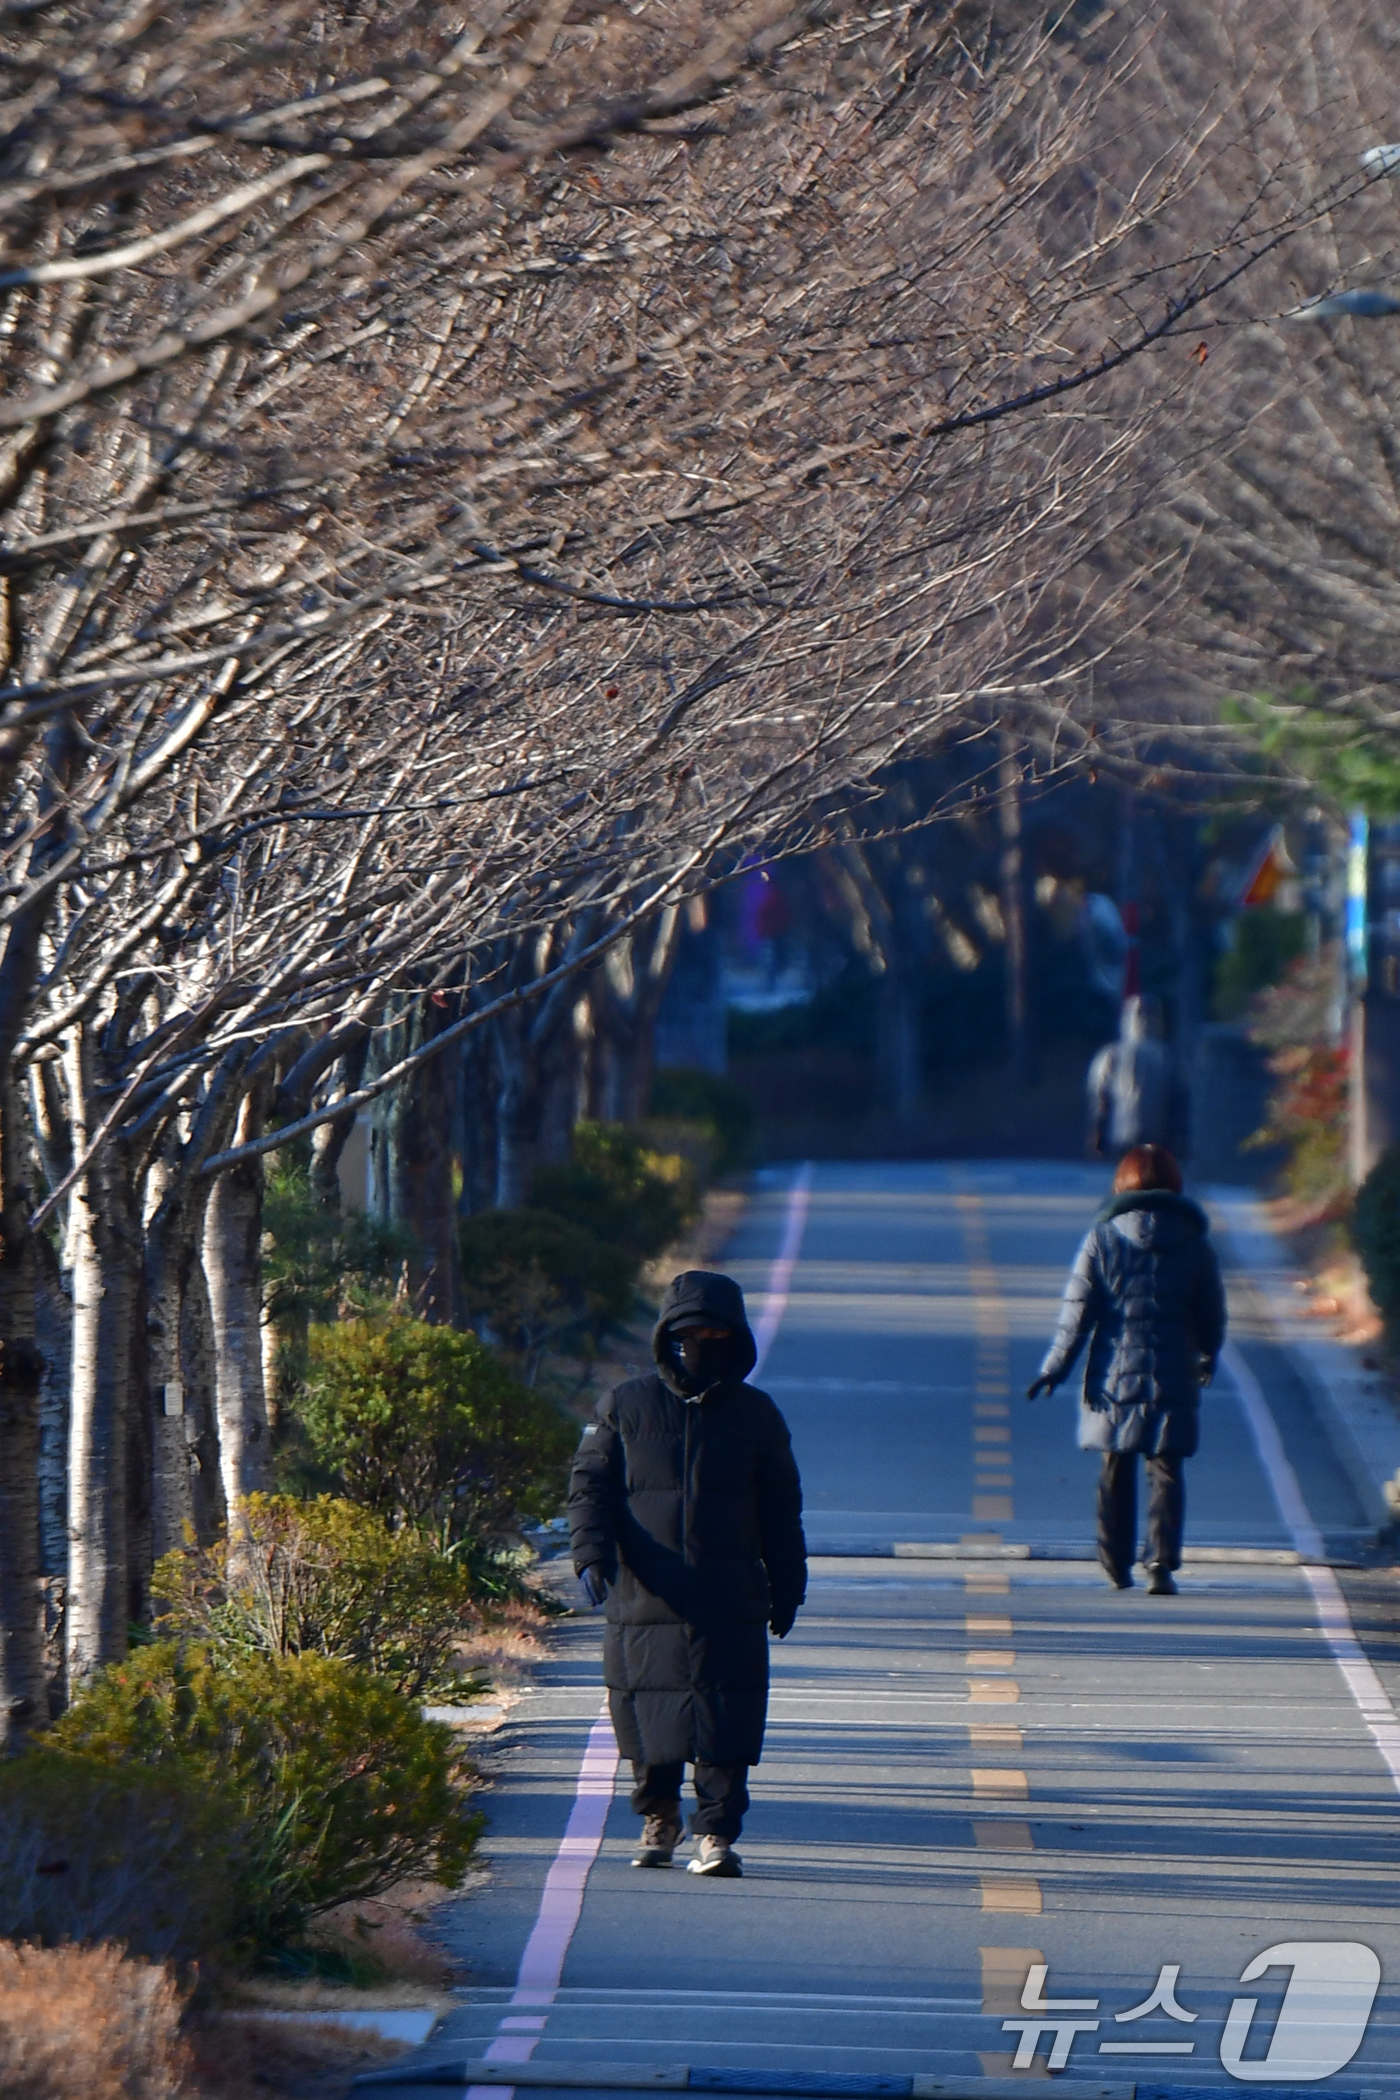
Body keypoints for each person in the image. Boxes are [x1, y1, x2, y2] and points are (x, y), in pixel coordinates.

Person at [568, 1269, 807, 1878]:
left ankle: (718, 1835)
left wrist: (788, 1585)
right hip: (645, 1594)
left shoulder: (757, 1416)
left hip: (730, 1596)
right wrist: (591, 1555)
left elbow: (782, 1509)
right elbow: (589, 1487)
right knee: (647, 1720)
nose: (702, 1342)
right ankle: (660, 1819)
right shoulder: (625, 1406)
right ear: (666, 1336)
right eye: (689, 1331)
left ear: (735, 1338)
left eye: (715, 1332)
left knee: (728, 1724)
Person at [1027, 1144, 1226, 1595]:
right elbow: (1211, 1311)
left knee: (1115, 1463)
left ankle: (1115, 1563)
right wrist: (1207, 1353)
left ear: (1123, 1182)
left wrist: (1055, 1368)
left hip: (1113, 1371)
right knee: (1167, 1466)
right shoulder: (1195, 1243)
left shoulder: (1103, 1238)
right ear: (1175, 1183)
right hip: (1173, 1367)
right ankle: (1161, 1563)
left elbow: (1078, 1311)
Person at [1087, 994, 1191, 1159]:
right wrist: (1180, 1138)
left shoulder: (1112, 1054)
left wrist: (1097, 1133)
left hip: (1121, 1135)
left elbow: (1100, 1098)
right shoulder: (1166, 1056)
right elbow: (1178, 1101)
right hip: (1155, 1136)